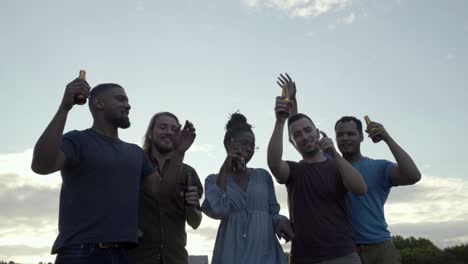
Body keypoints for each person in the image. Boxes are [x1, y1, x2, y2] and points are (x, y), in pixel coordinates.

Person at [31, 77, 195, 264]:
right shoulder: (77, 141)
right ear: (98, 103)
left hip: (123, 255)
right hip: (80, 253)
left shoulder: (135, 153)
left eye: (127, 100)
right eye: (120, 99)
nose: (128, 105)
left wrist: (179, 153)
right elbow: (41, 166)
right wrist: (64, 108)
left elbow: (162, 196)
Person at [267, 73, 367, 264]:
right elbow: (273, 163)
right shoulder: (294, 170)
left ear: (317, 132)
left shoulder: (337, 165)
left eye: (307, 130)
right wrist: (280, 121)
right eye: (297, 135)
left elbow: (360, 188)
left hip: (343, 255)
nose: (304, 136)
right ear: (294, 142)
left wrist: (335, 154)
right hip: (304, 258)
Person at [202, 112, 292, 264]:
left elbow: (273, 212)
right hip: (231, 254)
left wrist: (280, 221)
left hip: (264, 253)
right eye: (245, 143)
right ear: (229, 144)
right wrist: (225, 166)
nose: (250, 148)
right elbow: (219, 211)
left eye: (252, 145)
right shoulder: (213, 180)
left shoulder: (263, 176)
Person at [334, 116, 421, 264]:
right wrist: (292, 101)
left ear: (361, 137)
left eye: (351, 134)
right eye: (340, 135)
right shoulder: (329, 166)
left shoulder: (379, 167)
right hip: (344, 250)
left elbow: (413, 176)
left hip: (380, 248)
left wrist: (387, 138)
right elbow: (298, 137)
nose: (345, 138)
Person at [129, 112, 203, 264]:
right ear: (150, 134)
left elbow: (195, 222)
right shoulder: (134, 165)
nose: (169, 132)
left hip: (175, 257)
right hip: (138, 257)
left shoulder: (188, 173)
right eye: (163, 127)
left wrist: (191, 208)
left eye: (174, 129)